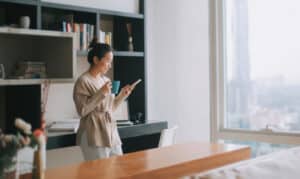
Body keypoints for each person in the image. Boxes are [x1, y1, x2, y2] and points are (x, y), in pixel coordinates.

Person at [73, 41, 133, 160]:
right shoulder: (83, 81)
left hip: (111, 131)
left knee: (119, 168)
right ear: (96, 60)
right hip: (94, 132)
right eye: (107, 61)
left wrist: (122, 95)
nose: (109, 65)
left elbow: (109, 108)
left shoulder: (105, 80)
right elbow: (82, 110)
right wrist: (101, 92)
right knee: (99, 173)